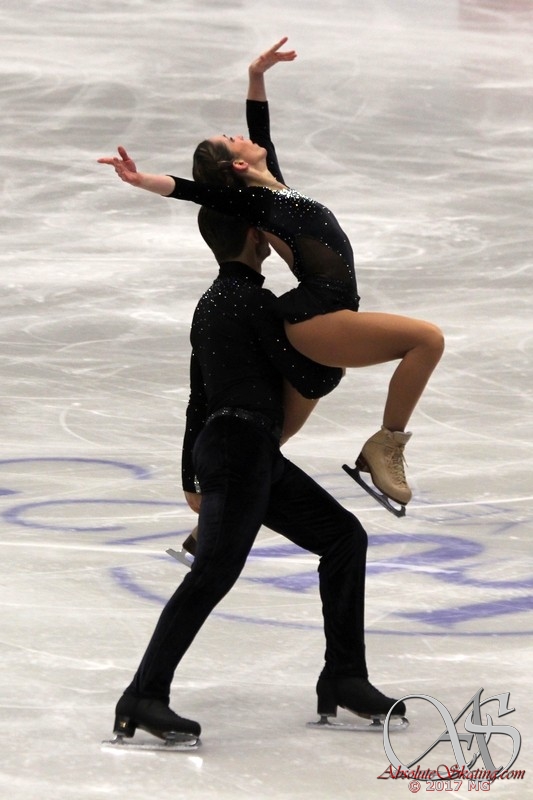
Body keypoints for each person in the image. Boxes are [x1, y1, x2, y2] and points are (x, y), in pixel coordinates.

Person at [98, 38, 444, 514]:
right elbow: (189, 190)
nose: (242, 135)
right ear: (238, 165)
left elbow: (261, 127)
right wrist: (141, 180)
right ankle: (386, 446)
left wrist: (256, 75)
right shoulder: (254, 202)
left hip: (327, 312)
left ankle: (217, 504)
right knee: (427, 340)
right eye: (232, 139)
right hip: (317, 315)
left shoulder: (276, 187)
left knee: (268, 438)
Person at [110, 207, 406, 746]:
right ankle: (143, 695)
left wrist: (190, 475)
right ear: (256, 236)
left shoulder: (210, 303)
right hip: (240, 449)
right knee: (214, 572)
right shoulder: (256, 302)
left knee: (343, 538)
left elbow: (197, 396)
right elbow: (310, 375)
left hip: (242, 449)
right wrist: (342, 344)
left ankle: (344, 676)